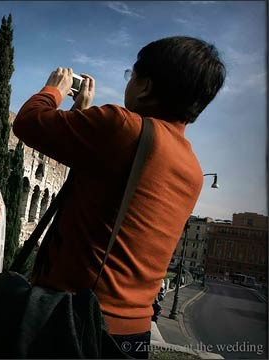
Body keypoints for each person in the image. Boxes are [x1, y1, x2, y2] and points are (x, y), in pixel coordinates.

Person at [12, 36, 225, 359]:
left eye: (132, 75)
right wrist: (80, 114)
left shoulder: (122, 127)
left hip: (72, 319)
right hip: (133, 333)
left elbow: (27, 123)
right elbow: (104, 187)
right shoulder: (193, 170)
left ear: (146, 86)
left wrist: (54, 89)